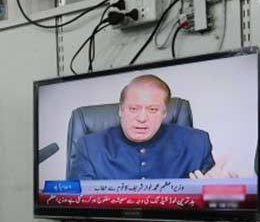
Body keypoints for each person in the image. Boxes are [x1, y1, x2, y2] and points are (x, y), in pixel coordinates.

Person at [70, 74, 231, 180]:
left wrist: (224, 193)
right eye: (133, 109)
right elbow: (76, 205)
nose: (142, 119)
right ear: (120, 110)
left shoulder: (197, 143)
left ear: (164, 113)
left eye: (152, 110)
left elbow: (213, 200)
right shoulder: (89, 147)